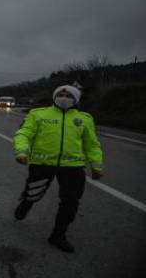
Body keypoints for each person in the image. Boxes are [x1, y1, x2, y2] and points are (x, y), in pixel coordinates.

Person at [13, 85, 103, 253]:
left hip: (73, 167)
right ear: (54, 97)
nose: (64, 96)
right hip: (42, 164)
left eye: (68, 94)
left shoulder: (84, 118)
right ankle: (27, 201)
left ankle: (58, 235)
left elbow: (92, 145)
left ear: (76, 99)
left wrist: (96, 165)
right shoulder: (38, 114)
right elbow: (23, 133)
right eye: (60, 94)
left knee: (71, 200)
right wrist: (21, 151)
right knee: (34, 193)